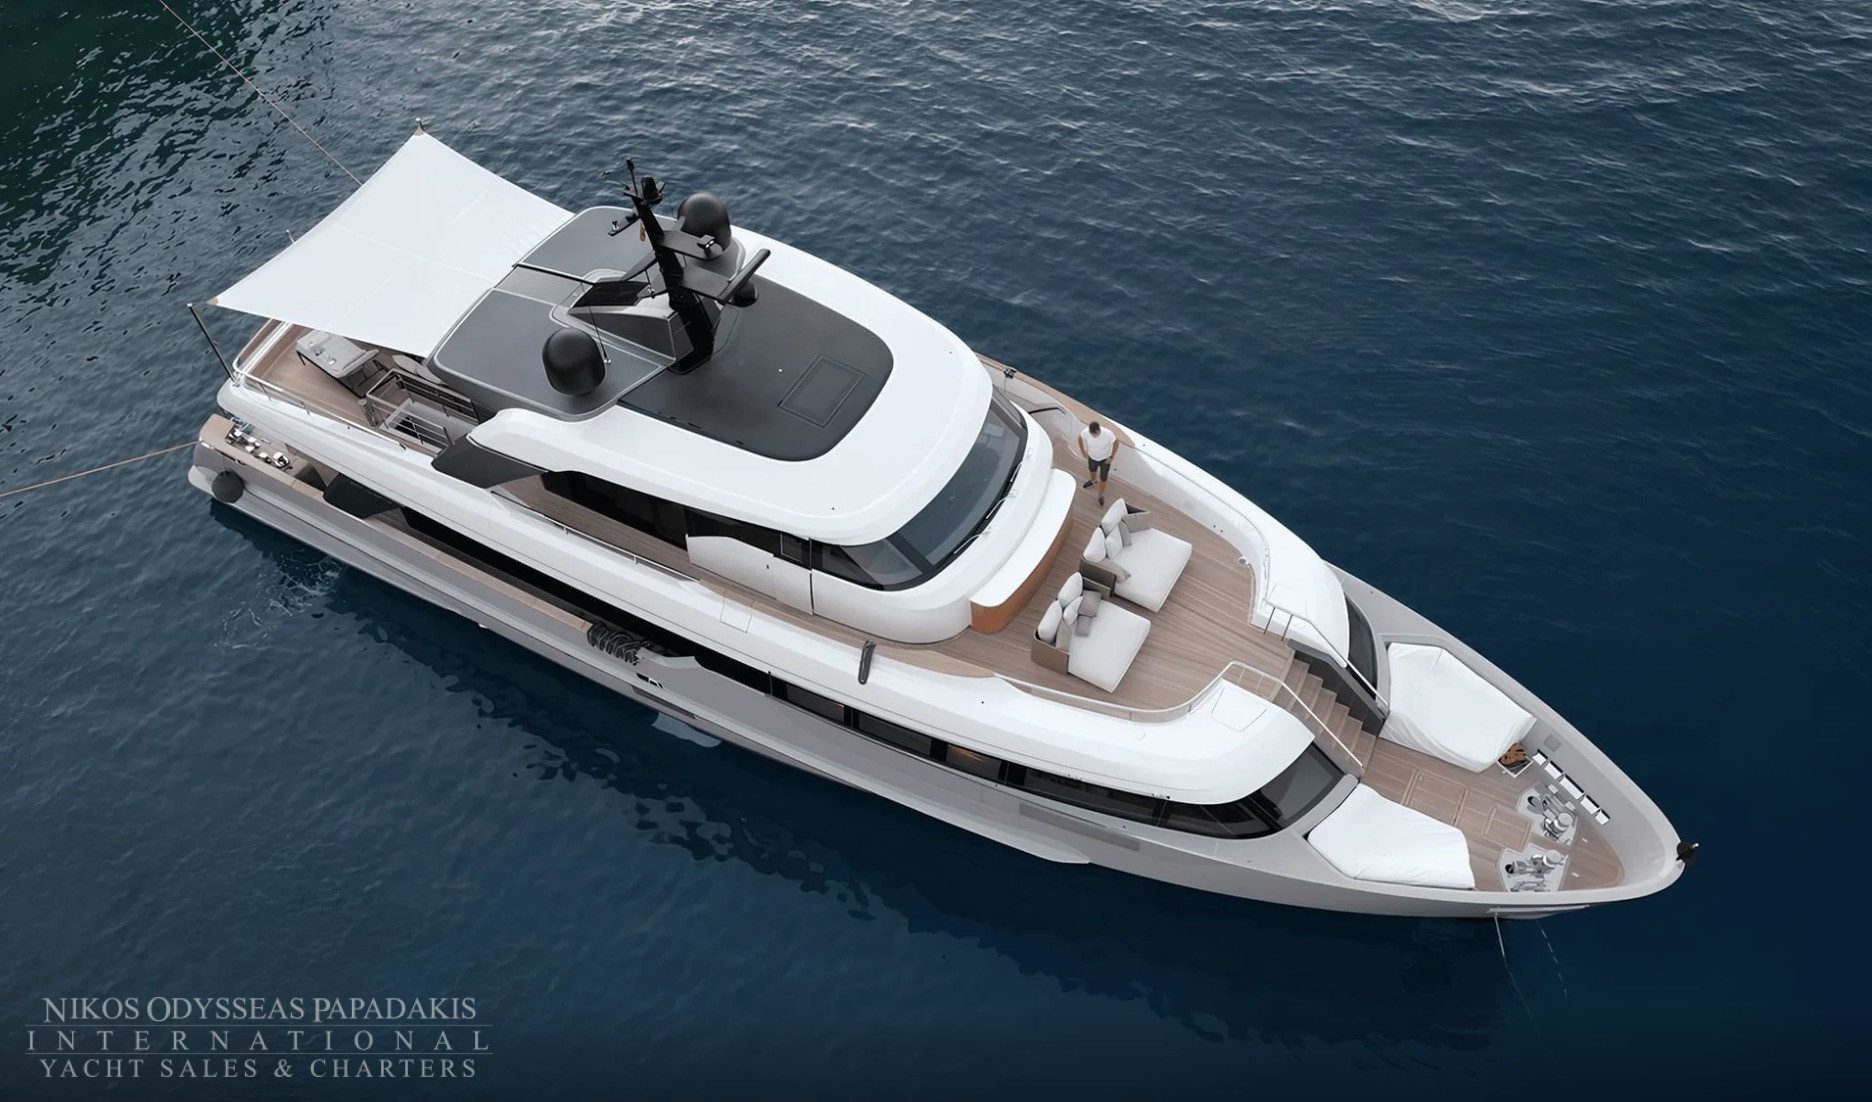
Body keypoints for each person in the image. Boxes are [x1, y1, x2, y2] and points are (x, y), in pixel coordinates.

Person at [1077, 420, 1119, 506]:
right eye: (1092, 434)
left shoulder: (1108, 434)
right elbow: (1080, 438)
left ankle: (1101, 496)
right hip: (1092, 458)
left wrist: (1111, 457)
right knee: (1092, 471)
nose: (1094, 436)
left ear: (1098, 429)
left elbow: (1116, 442)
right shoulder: (1086, 432)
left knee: (1103, 479)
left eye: (1095, 434)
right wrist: (1083, 451)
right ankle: (1093, 481)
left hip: (1105, 460)